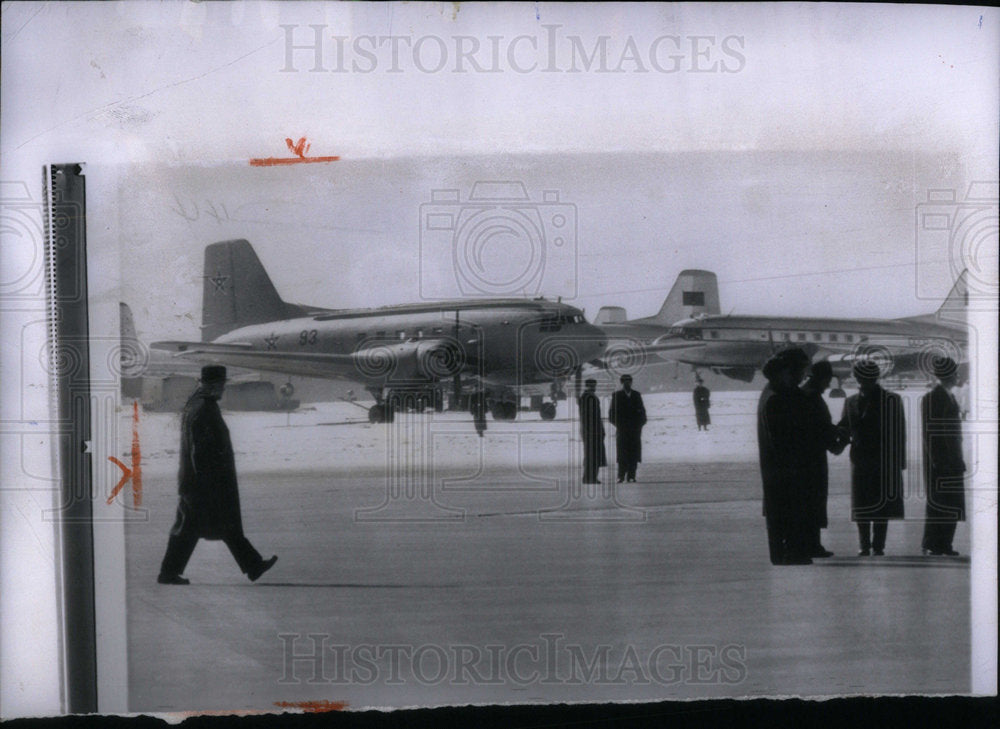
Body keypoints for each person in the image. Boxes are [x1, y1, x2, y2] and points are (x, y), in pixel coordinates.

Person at [158, 366, 278, 585]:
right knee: (203, 526)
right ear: (213, 384)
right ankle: (168, 573)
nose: (223, 389)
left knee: (204, 527)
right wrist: (207, 483)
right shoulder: (204, 408)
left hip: (195, 480)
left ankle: (253, 565)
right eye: (221, 385)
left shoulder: (195, 403)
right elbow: (200, 449)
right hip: (207, 482)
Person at [837, 360, 905, 557]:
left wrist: (899, 462)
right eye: (858, 376)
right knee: (861, 504)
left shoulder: (892, 399)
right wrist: (835, 441)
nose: (861, 380)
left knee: (881, 504)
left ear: (874, 377)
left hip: (883, 460)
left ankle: (878, 546)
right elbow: (844, 427)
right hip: (859, 460)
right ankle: (864, 545)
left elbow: (900, 432)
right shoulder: (850, 401)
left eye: (864, 376)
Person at [757, 348, 813, 565]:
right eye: (800, 371)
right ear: (788, 371)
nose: (803, 377)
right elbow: (787, 439)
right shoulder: (778, 398)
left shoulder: (772, 392)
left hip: (778, 468)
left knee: (780, 510)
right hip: (786, 468)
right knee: (786, 510)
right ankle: (789, 553)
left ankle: (785, 552)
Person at [799, 360, 848, 558]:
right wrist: (840, 439)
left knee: (808, 501)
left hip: (803, 457)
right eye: (828, 381)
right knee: (814, 500)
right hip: (812, 459)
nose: (828, 385)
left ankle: (810, 543)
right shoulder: (812, 398)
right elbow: (820, 428)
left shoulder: (802, 394)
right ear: (823, 378)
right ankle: (812, 544)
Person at [920, 357, 966, 556]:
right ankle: (934, 543)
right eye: (954, 373)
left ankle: (943, 543)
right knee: (940, 501)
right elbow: (931, 434)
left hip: (951, 459)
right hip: (942, 462)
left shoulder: (946, 396)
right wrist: (939, 461)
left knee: (949, 501)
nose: (957, 377)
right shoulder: (933, 397)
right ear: (948, 375)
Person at [608, 374, 647, 483]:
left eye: (629, 381)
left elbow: (643, 414)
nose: (627, 384)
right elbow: (611, 414)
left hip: (635, 431)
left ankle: (632, 476)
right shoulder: (616, 396)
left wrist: (639, 425)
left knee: (634, 454)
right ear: (621, 383)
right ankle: (621, 476)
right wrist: (620, 425)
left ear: (631, 382)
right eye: (625, 381)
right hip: (622, 430)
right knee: (622, 454)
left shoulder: (636, 395)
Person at [578, 379, 606, 484]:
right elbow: (594, 417)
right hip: (593, 431)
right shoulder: (590, 397)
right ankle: (591, 477)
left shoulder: (584, 397)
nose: (594, 387)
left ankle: (589, 477)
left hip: (589, 431)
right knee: (594, 455)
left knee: (590, 455)